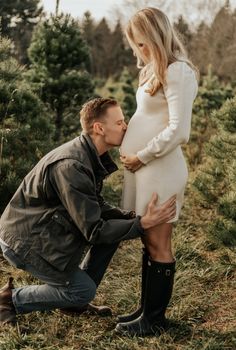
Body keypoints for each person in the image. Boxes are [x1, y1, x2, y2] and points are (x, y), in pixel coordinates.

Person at [0, 97, 176, 325]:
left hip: (43, 231)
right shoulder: (71, 166)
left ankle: (73, 304)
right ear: (99, 128)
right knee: (83, 290)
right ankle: (10, 300)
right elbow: (94, 230)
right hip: (25, 242)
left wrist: (132, 218)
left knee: (114, 233)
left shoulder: (87, 155)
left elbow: (95, 207)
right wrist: (142, 224)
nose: (126, 126)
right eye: (120, 122)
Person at [116, 8, 198, 336]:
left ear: (157, 36)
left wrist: (143, 155)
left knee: (159, 241)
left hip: (159, 167)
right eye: (136, 45)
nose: (140, 51)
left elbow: (180, 130)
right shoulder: (151, 70)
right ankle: (145, 309)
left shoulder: (178, 71)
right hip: (143, 169)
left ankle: (154, 321)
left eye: (144, 44)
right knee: (146, 238)